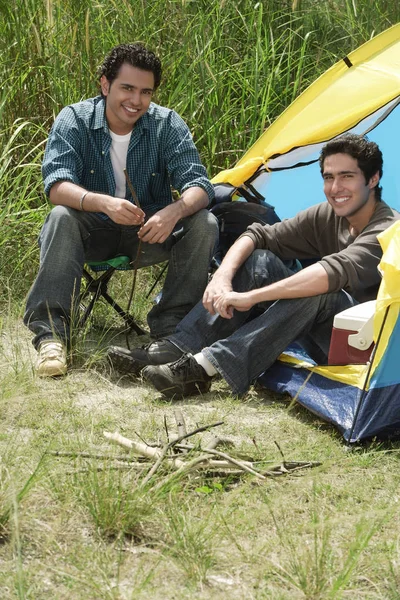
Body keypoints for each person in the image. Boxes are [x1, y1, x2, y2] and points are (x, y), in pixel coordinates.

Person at [109, 134, 399, 397]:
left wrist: (250, 297)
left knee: (321, 290)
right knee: (261, 259)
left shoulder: (387, 230)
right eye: (328, 177)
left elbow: (329, 274)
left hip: (367, 351)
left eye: (347, 176)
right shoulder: (329, 215)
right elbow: (257, 234)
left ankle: (206, 367)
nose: (335, 188)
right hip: (321, 333)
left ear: (372, 179)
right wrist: (222, 276)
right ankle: (177, 348)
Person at [24, 43, 218, 377]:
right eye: (127, 88)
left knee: (205, 221)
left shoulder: (167, 124)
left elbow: (200, 185)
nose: (136, 101)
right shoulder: (75, 119)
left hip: (148, 233)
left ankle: (171, 329)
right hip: (91, 232)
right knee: (60, 217)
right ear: (104, 85)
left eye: (146, 92)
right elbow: (56, 186)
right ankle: (52, 338)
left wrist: (174, 211)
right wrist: (104, 203)